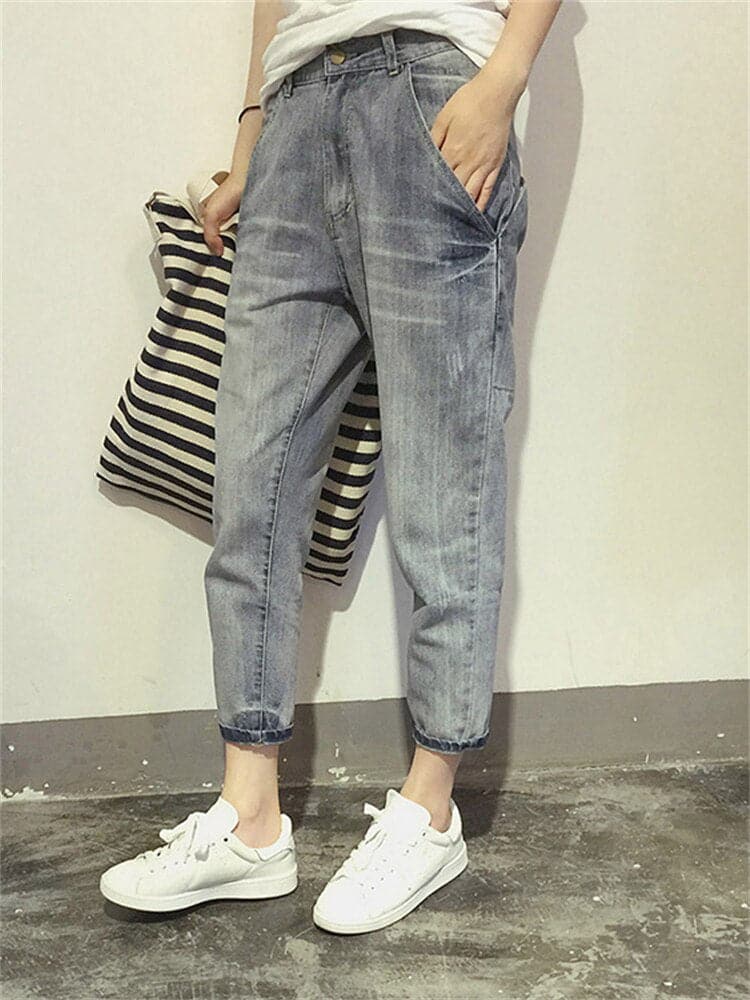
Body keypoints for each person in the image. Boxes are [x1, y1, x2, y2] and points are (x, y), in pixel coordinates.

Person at [100, 0, 561, 934]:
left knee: (446, 487)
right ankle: (251, 821)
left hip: (429, 90)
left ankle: (432, 810)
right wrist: (253, 133)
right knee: (253, 490)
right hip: (296, 110)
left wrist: (503, 80)